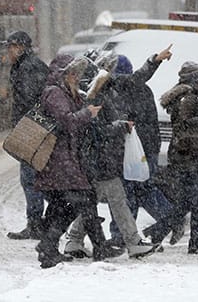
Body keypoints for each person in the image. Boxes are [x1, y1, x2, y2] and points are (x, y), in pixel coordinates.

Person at [63, 63, 158, 259]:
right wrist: (121, 126)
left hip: (97, 162)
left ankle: (74, 240)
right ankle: (133, 243)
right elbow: (99, 131)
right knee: (118, 202)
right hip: (101, 162)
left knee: (90, 204)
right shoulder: (95, 99)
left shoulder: (96, 96)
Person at [33, 55, 119, 268]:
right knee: (79, 201)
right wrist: (87, 114)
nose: (76, 77)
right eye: (73, 73)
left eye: (77, 73)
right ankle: (54, 245)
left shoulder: (66, 92)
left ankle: (49, 246)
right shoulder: (54, 93)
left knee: (66, 204)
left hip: (68, 158)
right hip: (58, 159)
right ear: (64, 74)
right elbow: (67, 122)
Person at [100, 48, 175, 247]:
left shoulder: (125, 87)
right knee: (143, 189)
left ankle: (121, 235)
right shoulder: (142, 88)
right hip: (146, 148)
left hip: (132, 150)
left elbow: (126, 119)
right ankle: (170, 218)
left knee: (126, 192)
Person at [144, 60, 198, 255]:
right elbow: (183, 125)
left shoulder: (183, 97)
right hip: (188, 158)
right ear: (193, 80)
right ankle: (197, 243)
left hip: (183, 157)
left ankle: (158, 233)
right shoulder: (188, 99)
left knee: (186, 202)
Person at [3, 30, 50, 240]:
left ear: (21, 47)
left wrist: (25, 126)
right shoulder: (25, 66)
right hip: (32, 128)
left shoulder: (29, 68)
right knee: (34, 178)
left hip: (33, 130)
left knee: (31, 178)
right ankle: (39, 222)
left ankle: (36, 223)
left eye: (11, 47)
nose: (8, 51)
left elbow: (30, 99)